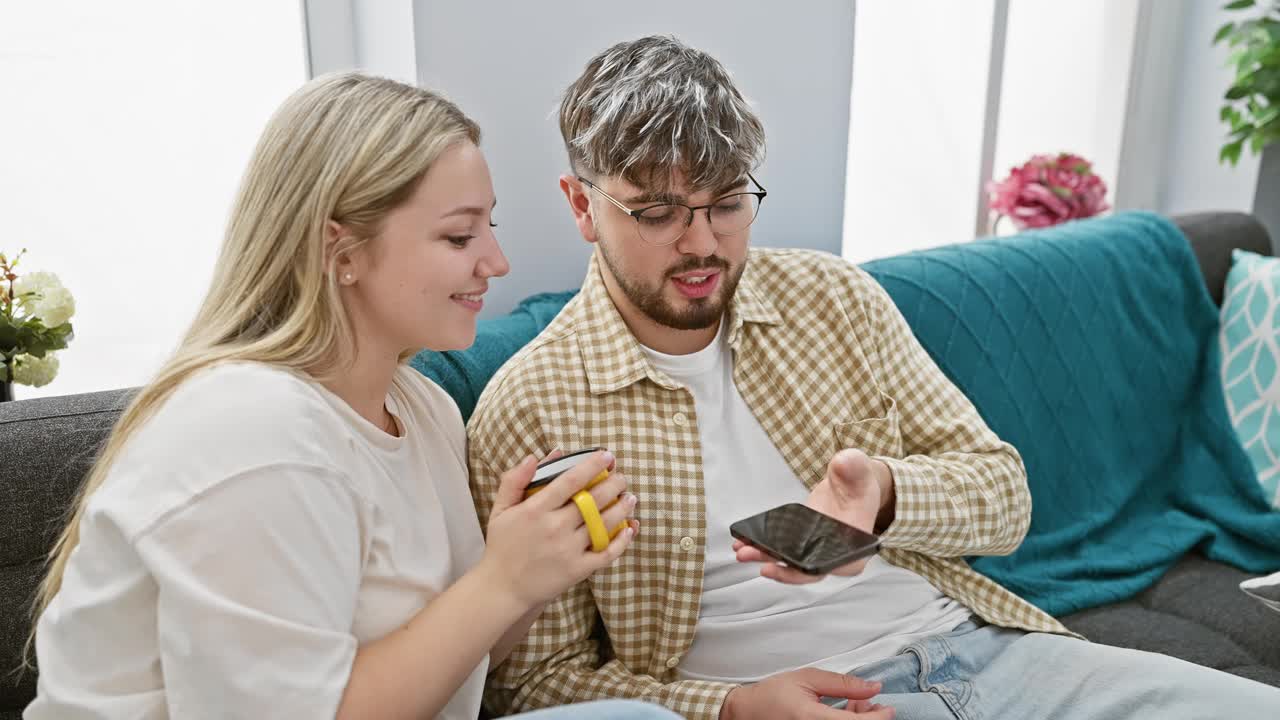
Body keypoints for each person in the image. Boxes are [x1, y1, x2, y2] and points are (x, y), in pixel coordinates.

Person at [465, 36, 1280, 720]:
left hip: (991, 655)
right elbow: (535, 685)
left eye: (727, 204)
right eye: (658, 213)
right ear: (581, 205)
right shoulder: (530, 410)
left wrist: (887, 496)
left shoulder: (833, 298)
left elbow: (1005, 497)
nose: (703, 244)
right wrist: (728, 707)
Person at [24, 72, 679, 720]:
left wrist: (530, 574)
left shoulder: (423, 410)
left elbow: (446, 666)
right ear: (342, 250)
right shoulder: (248, 433)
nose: (497, 261)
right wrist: (499, 580)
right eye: (459, 235)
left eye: (489, 227)